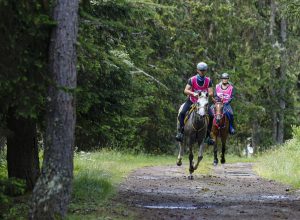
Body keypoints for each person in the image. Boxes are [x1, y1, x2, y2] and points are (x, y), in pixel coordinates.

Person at [176, 62, 214, 143]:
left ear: (206, 71)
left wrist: (206, 94)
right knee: (182, 113)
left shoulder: (208, 80)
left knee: (211, 115)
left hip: (203, 102)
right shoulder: (192, 79)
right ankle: (181, 132)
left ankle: (208, 136)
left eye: (204, 70)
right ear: (197, 70)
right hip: (192, 100)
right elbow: (185, 90)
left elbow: (211, 92)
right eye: (201, 70)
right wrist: (193, 93)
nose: (202, 72)